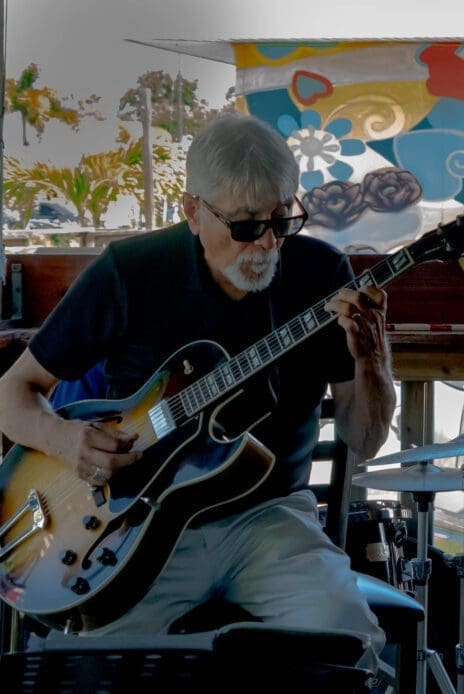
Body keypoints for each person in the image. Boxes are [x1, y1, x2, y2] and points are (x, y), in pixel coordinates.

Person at [0, 113, 396, 675]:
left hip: (269, 519)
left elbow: (366, 438)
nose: (266, 243)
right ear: (193, 212)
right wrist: (64, 440)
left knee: (346, 646)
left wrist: (373, 362)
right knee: (94, 667)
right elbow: (12, 392)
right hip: (132, 530)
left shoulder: (321, 273)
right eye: (244, 225)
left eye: (283, 220)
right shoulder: (132, 271)